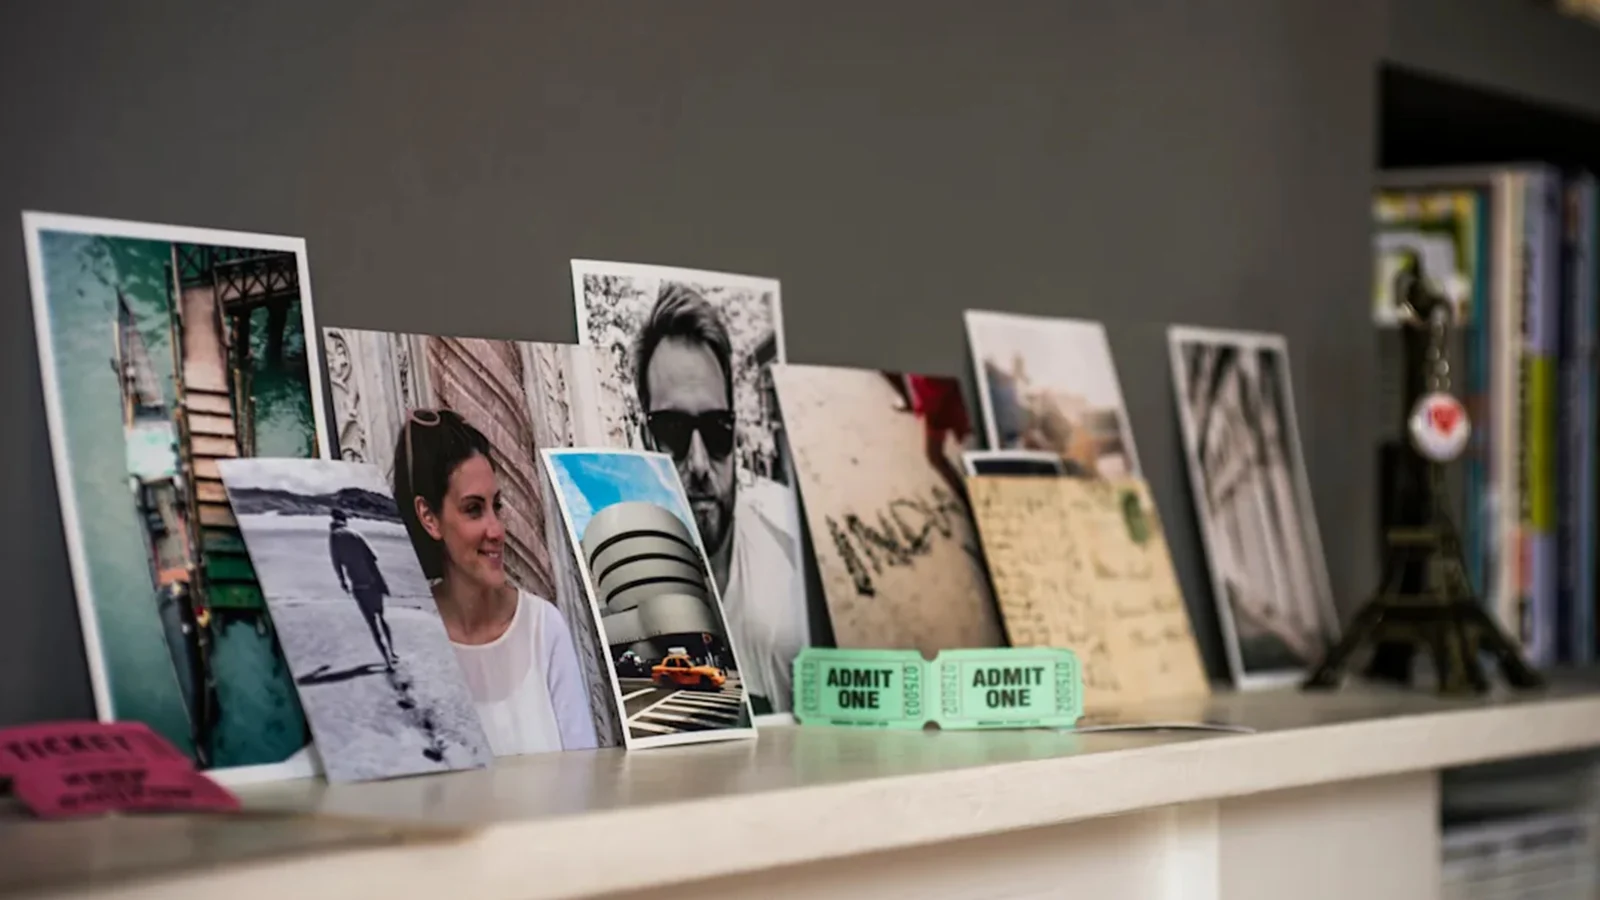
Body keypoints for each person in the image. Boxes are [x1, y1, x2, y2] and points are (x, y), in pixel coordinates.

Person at [633, 284, 808, 715]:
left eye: (715, 430)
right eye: (673, 430)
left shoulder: (793, 565)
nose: (697, 462)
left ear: (736, 432)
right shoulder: (623, 593)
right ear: (644, 437)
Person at [393, 409, 598, 755]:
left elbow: (587, 776)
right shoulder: (408, 642)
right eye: (474, 509)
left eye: (496, 506)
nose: (497, 530)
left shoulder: (543, 629)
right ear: (429, 517)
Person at [329, 507, 398, 670]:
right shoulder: (355, 534)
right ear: (345, 520)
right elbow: (373, 556)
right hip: (373, 583)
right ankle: (393, 652)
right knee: (382, 617)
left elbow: (336, 563)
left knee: (372, 625)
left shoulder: (334, 537)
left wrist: (343, 581)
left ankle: (387, 661)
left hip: (358, 586)